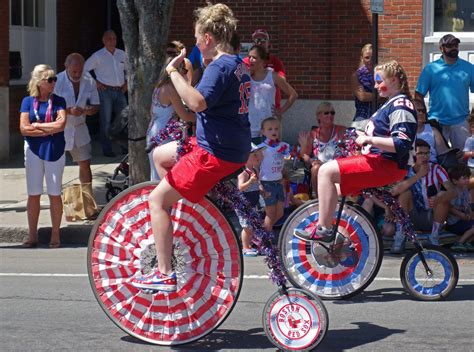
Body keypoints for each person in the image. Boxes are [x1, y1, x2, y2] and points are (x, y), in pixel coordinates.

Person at [131, 3, 251, 292]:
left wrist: (172, 73)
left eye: (197, 38)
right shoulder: (237, 63)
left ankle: (163, 272)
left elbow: (196, 104)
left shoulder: (218, 65)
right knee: (161, 154)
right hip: (229, 147)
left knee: (156, 201)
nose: (195, 44)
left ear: (208, 38)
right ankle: (175, 220)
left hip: (214, 153)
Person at [294, 60, 418, 243]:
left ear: (393, 80)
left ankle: (324, 230)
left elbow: (402, 143)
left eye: (378, 81)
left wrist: (369, 139)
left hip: (385, 164)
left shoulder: (400, 105)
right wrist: (361, 134)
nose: (375, 86)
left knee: (326, 170)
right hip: (379, 162)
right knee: (333, 188)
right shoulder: (392, 103)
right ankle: (340, 235)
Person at [19, 64, 67, 248]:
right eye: (50, 80)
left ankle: (56, 234)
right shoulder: (27, 101)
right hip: (33, 149)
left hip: (55, 149)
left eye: (55, 79)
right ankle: (32, 235)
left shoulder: (59, 101)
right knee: (34, 193)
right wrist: (48, 129)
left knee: (54, 193)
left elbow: (61, 125)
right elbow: (24, 128)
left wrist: (37, 126)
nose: (54, 82)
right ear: (40, 82)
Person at [390, 139, 455, 250]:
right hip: (410, 218)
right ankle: (400, 237)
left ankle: (434, 237)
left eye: (427, 153)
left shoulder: (436, 169)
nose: (424, 156)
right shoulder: (406, 170)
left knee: (443, 197)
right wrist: (418, 175)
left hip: (431, 215)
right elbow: (394, 191)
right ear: (414, 154)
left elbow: (452, 191)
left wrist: (439, 197)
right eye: (420, 153)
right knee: (405, 194)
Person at [415, 34, 474, 151]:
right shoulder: (430, 69)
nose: (454, 48)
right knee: (437, 157)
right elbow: (418, 95)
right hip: (437, 121)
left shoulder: (469, 68)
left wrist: (472, 116)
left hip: (461, 121)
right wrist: (424, 116)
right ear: (441, 49)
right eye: (449, 46)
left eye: (456, 45)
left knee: (463, 158)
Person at [54, 53, 100, 186]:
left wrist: (91, 110)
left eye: (80, 71)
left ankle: (87, 198)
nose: (77, 74)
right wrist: (68, 111)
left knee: (85, 163)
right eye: (74, 71)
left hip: (80, 126)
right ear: (66, 66)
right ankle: (57, 197)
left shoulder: (88, 79)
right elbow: (50, 107)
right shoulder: (57, 81)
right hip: (60, 129)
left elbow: (96, 104)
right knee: (57, 165)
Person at [147, 56, 196, 180]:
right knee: (164, 176)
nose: (185, 74)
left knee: (156, 175)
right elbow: (184, 115)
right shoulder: (170, 89)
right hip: (164, 135)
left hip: (154, 130)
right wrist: (201, 117)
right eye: (184, 71)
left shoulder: (159, 86)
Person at [84, 30, 127, 157]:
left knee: (123, 119)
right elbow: (85, 70)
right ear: (104, 40)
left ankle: (124, 146)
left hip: (120, 91)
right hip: (105, 92)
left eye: (114, 38)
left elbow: (130, 70)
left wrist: (127, 84)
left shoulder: (122, 54)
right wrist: (96, 83)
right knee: (106, 121)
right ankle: (107, 148)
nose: (112, 41)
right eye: (109, 38)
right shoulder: (98, 56)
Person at [247, 45, 297, 143]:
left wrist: (281, 111)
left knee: (270, 155)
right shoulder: (246, 76)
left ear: (262, 61)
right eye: (249, 57)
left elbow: (293, 94)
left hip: (270, 126)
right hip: (250, 126)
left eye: (254, 57)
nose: (251, 60)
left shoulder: (272, 76)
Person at [298, 102, 346, 198]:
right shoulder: (313, 134)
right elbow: (304, 156)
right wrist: (309, 156)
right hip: (320, 166)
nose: (330, 115)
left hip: (337, 165)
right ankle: (318, 198)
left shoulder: (341, 130)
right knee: (315, 168)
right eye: (326, 113)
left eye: (332, 113)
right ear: (319, 116)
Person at [257, 117, 291, 233]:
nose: (274, 131)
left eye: (276, 129)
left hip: (279, 182)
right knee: (270, 214)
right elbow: (255, 166)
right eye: (270, 129)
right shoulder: (261, 148)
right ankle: (265, 239)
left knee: (280, 213)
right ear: (263, 132)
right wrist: (258, 183)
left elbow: (289, 159)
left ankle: (260, 232)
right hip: (267, 183)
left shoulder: (283, 146)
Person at [243, 29, 286, 110]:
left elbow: (283, 82)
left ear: (268, 43)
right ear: (253, 43)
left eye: (263, 40)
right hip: (251, 107)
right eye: (257, 40)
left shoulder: (275, 61)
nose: (260, 43)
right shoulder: (246, 61)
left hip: (271, 107)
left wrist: (267, 74)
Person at [237, 143, 265, 257]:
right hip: (244, 203)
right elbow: (240, 187)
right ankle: (245, 247)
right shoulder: (244, 173)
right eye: (254, 155)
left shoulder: (255, 171)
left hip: (253, 202)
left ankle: (251, 244)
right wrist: (250, 181)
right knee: (247, 227)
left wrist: (263, 191)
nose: (257, 157)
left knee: (253, 225)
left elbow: (258, 185)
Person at [447, 165, 474, 252]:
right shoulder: (453, 192)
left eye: (468, 178)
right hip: (454, 223)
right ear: (455, 181)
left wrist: (469, 212)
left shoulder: (465, 190)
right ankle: (459, 242)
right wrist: (461, 214)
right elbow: (449, 208)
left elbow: (467, 205)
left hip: (463, 221)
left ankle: (467, 242)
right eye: (464, 178)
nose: (467, 180)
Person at [351, 43, 374, 130]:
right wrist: (380, 96)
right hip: (362, 116)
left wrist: (369, 95)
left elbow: (387, 96)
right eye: (367, 57)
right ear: (362, 58)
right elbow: (362, 96)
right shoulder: (356, 76)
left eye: (372, 57)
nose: (370, 60)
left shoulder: (381, 74)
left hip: (379, 115)